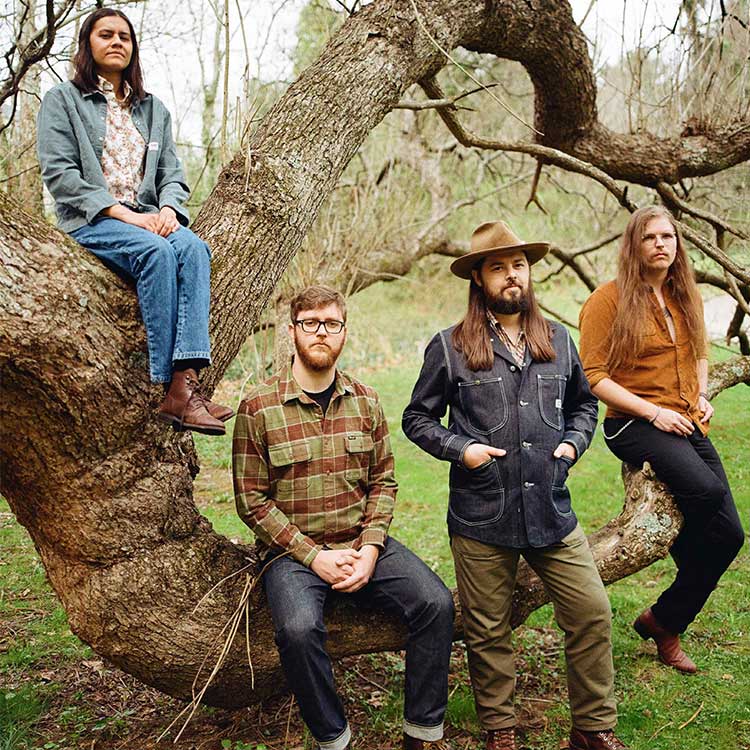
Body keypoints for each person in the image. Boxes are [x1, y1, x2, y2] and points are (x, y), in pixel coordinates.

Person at [403, 221, 629, 750]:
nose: (511, 276)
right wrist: (463, 449)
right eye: (498, 267)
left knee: (591, 613)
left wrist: (573, 443)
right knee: (487, 631)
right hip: (482, 513)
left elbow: (584, 403)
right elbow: (418, 418)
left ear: (529, 273)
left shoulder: (558, 339)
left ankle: (593, 729)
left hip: (551, 509)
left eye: (519, 265)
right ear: (479, 279)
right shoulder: (450, 346)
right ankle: (500, 730)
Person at [232, 285, 455, 750]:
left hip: (361, 541)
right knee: (297, 630)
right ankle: (334, 737)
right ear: (291, 331)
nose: (321, 333)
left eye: (330, 324)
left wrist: (371, 549)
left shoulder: (367, 401)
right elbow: (251, 500)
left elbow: (384, 482)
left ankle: (422, 734)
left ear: (343, 333)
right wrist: (314, 558)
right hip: (292, 554)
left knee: (436, 604)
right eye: (310, 323)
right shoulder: (259, 407)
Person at [36, 8, 231, 435]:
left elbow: (172, 175)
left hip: (147, 218)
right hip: (93, 220)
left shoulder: (152, 109)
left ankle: (184, 390)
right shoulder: (63, 100)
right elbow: (60, 175)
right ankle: (166, 381)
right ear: (88, 43)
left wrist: (166, 210)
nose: (117, 42)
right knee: (157, 252)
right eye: (106, 34)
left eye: (125, 36)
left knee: (194, 248)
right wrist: (127, 217)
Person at [578, 205, 744, 674]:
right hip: (633, 423)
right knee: (707, 496)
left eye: (667, 236)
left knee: (731, 535)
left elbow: (700, 355)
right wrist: (655, 412)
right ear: (635, 245)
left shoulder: (682, 294)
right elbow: (595, 377)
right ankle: (682, 597)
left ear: (677, 244)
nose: (660, 244)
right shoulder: (606, 301)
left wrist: (702, 393)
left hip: (686, 418)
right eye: (650, 237)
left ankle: (664, 620)